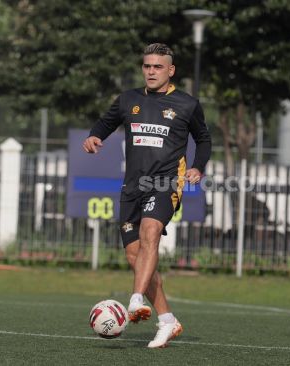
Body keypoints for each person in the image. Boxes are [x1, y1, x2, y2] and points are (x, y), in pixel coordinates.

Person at [83, 43, 211, 348]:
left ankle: (135, 300)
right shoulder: (128, 99)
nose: (151, 71)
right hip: (132, 186)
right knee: (135, 256)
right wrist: (94, 135)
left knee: (150, 231)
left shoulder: (187, 104)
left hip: (167, 181)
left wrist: (197, 167)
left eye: (157, 67)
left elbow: (203, 138)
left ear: (171, 70)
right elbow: (106, 122)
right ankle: (167, 321)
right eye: (146, 66)